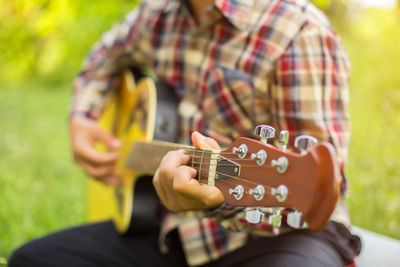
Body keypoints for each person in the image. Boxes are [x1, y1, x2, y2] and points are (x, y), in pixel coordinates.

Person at [9, 0, 361, 266]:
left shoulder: (298, 32)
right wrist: (83, 118)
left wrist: (219, 200)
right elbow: (105, 56)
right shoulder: (159, 13)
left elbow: (318, 193)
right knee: (33, 259)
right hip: (173, 232)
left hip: (280, 236)